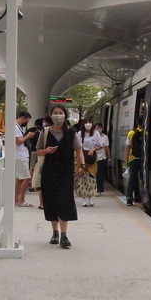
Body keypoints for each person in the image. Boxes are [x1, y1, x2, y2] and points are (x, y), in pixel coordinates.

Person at [36, 104, 85, 248]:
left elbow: (79, 150)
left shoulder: (71, 132)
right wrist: (47, 151)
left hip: (66, 172)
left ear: (65, 115)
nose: (58, 115)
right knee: (51, 201)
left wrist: (82, 166)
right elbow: (38, 151)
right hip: (49, 172)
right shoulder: (45, 132)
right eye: (55, 113)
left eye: (61, 113)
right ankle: (55, 232)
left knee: (64, 201)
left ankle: (64, 235)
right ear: (51, 116)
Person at [77, 117, 100, 207]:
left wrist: (93, 149)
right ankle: (84, 198)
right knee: (82, 177)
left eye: (89, 122)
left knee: (91, 177)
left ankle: (91, 197)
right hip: (81, 157)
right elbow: (77, 146)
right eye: (86, 122)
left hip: (91, 158)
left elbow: (100, 145)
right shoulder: (79, 134)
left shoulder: (96, 134)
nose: (88, 124)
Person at [13, 111, 34, 207]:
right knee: (27, 177)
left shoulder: (18, 127)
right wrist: (28, 136)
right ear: (23, 118)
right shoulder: (15, 127)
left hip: (21, 155)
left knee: (19, 179)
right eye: (26, 121)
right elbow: (18, 141)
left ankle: (16, 199)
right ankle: (21, 200)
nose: (26, 123)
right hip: (20, 156)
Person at [125, 117, 145, 206]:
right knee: (142, 178)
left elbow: (127, 148)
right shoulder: (146, 132)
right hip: (143, 159)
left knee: (132, 178)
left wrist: (127, 162)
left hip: (133, 159)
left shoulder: (131, 133)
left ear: (137, 122)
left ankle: (129, 198)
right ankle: (140, 197)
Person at [93, 122, 111, 196]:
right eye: (96, 128)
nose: (98, 129)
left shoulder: (105, 137)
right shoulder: (91, 136)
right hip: (93, 158)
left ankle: (99, 190)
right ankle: (93, 188)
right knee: (93, 174)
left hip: (102, 158)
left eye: (99, 128)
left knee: (99, 175)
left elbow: (107, 148)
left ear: (102, 128)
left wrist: (109, 158)